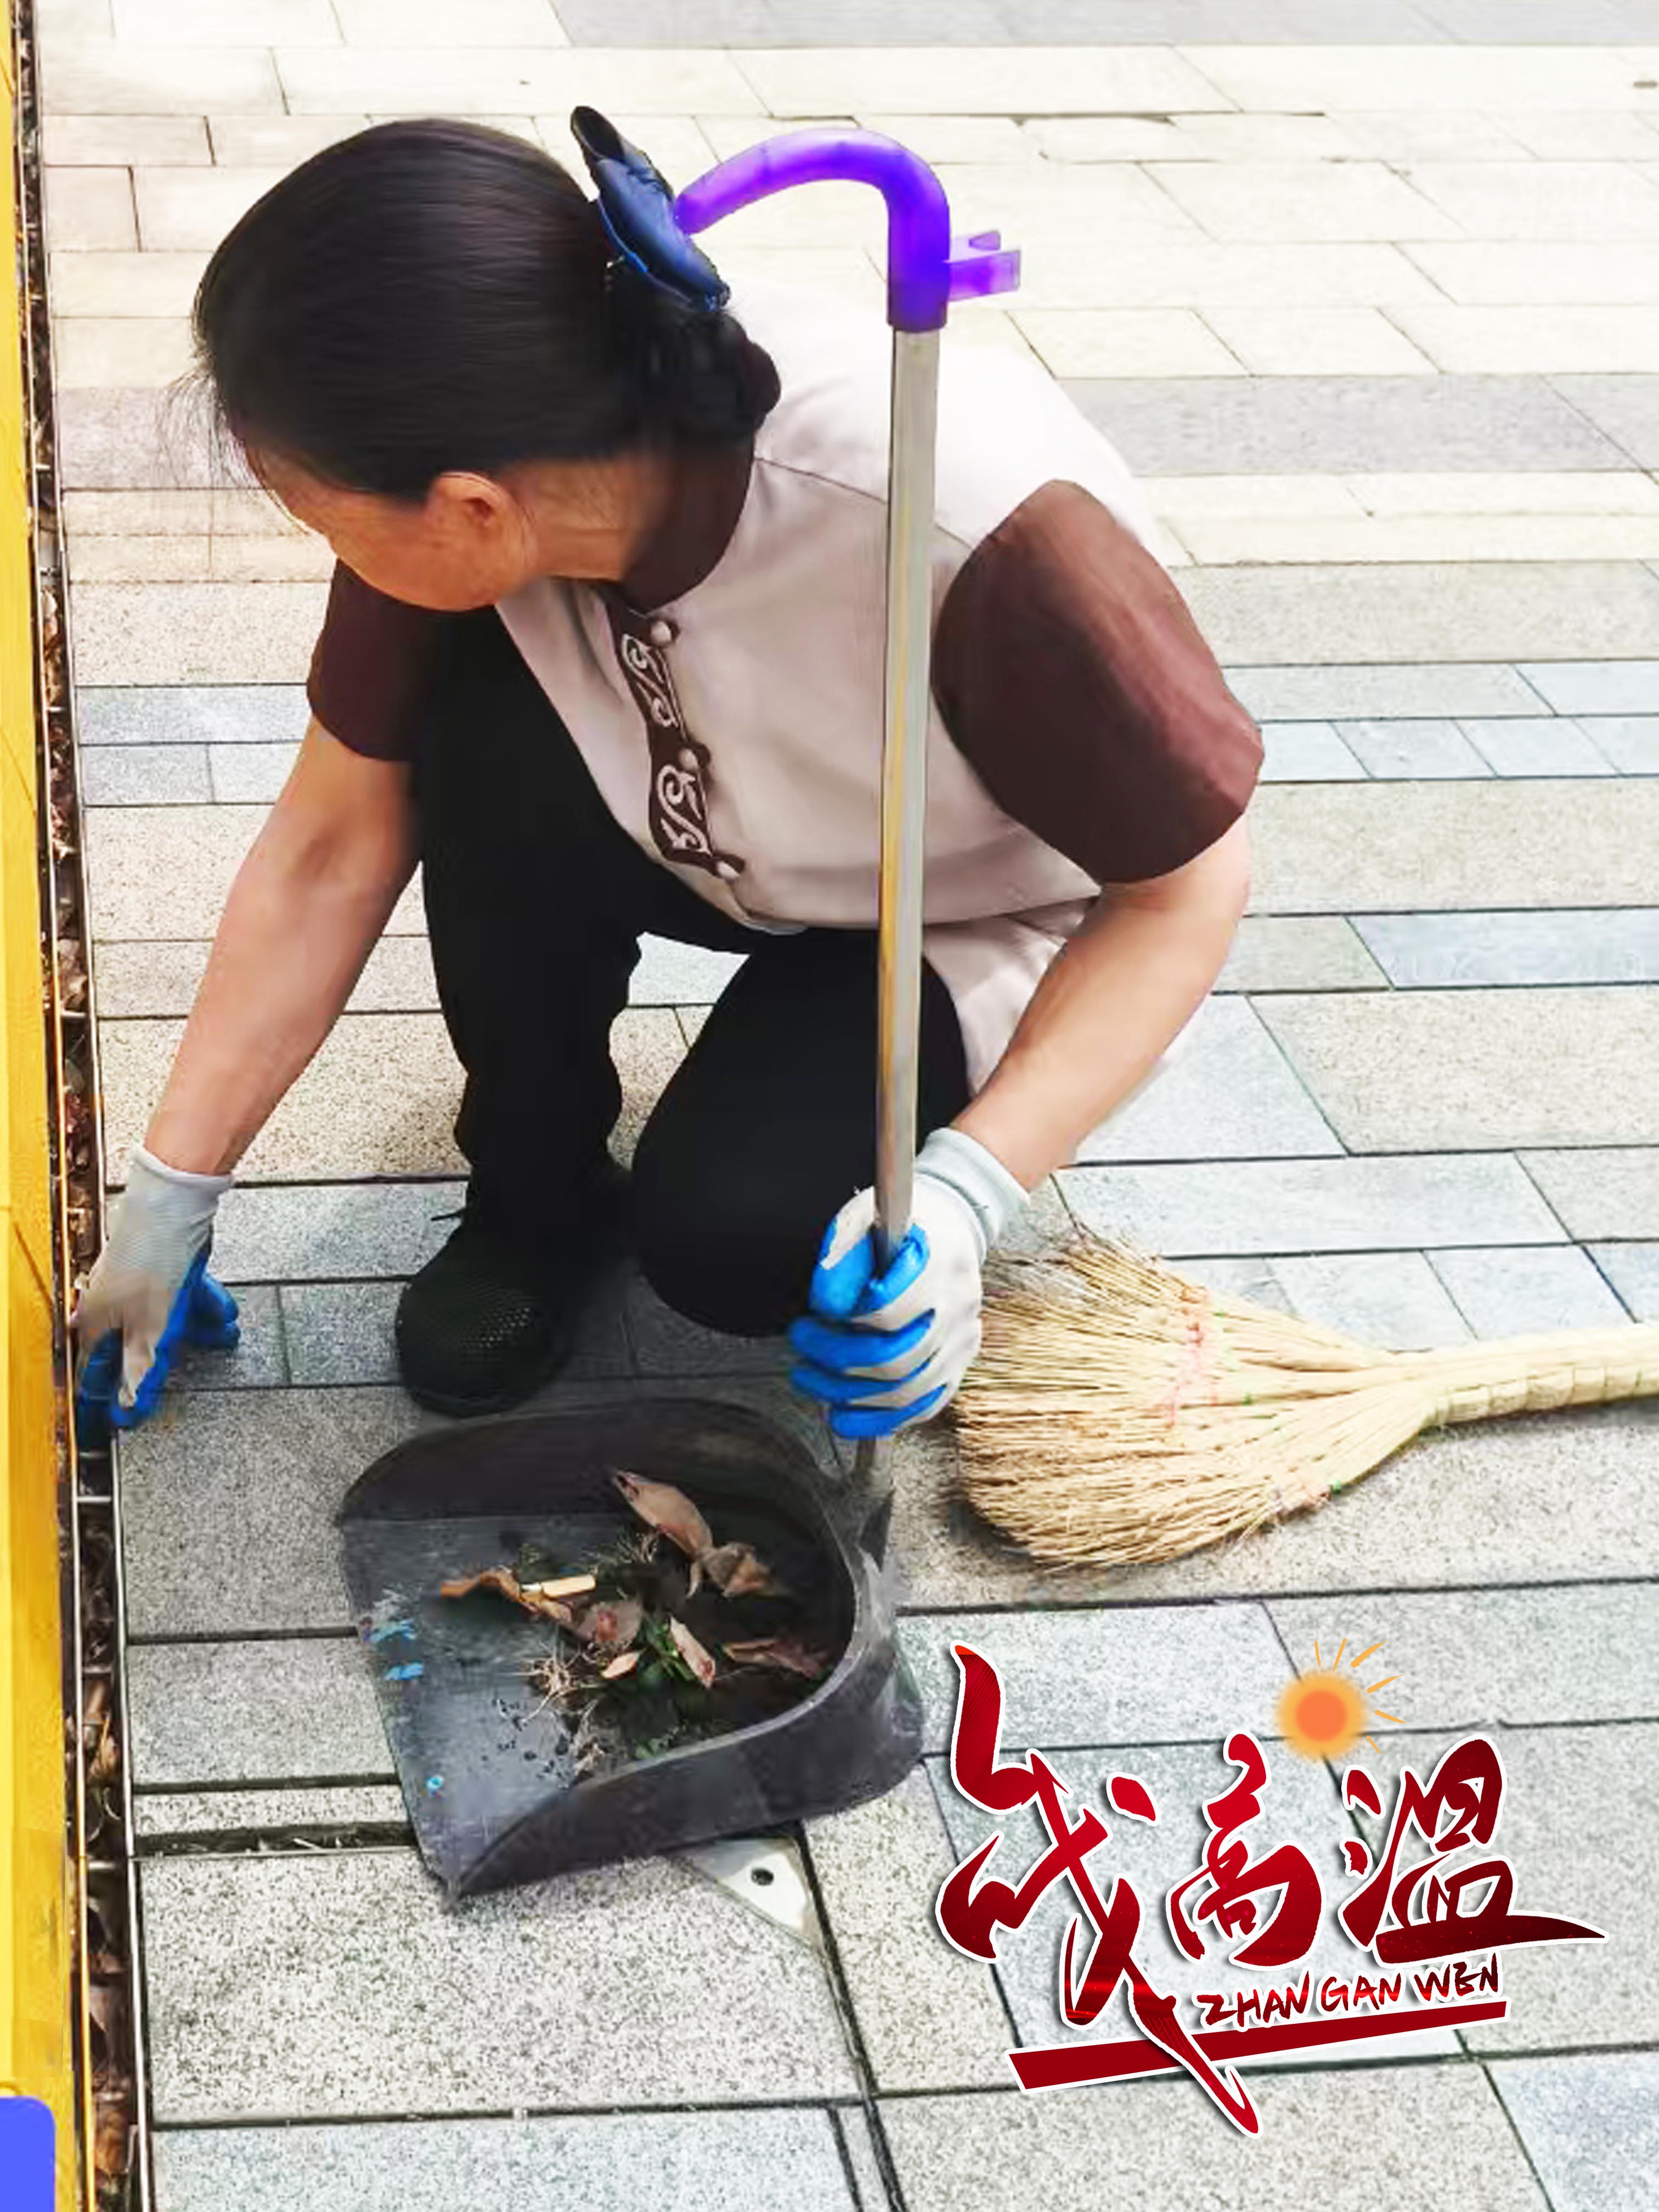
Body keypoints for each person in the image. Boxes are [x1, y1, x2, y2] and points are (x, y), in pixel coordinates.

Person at [72, 115, 1260, 1442]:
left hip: (958, 905)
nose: (330, 547)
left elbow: (1185, 893)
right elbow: (329, 843)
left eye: (321, 517)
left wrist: (970, 1194)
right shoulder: (483, 455)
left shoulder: (973, 533)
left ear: (471, 507)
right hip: (711, 826)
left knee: (739, 1241)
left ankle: (833, 1101)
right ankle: (536, 1204)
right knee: (468, 736)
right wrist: (170, 1195)